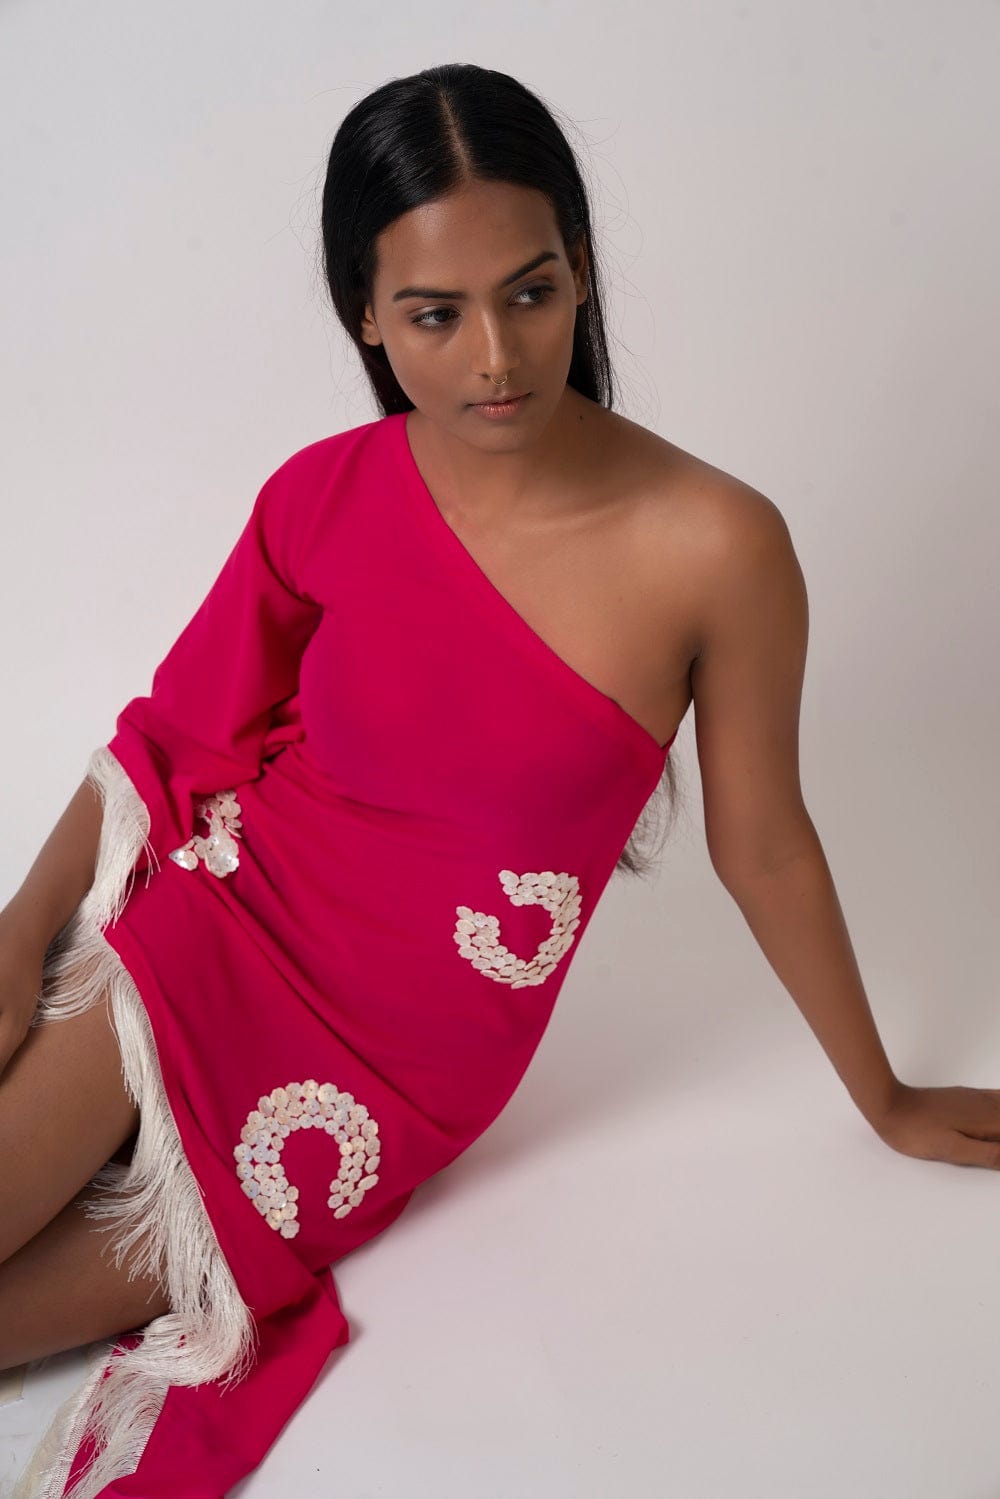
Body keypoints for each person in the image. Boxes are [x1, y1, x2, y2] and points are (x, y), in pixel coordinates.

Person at [2, 59, 998, 1499]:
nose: (494, 358)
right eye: (434, 313)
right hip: (212, 936)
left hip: (384, 1075)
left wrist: (886, 1097)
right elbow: (171, 741)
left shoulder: (718, 545)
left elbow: (765, 845)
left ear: (581, 273)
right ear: (364, 312)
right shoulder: (320, 497)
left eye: (530, 291)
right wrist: (23, 928)